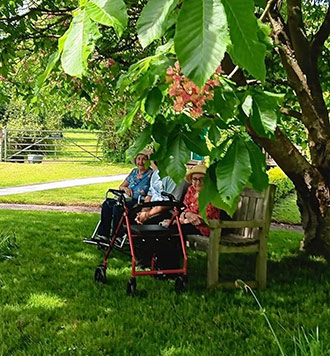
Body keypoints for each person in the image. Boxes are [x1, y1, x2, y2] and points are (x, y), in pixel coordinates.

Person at [96, 151, 152, 240]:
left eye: (144, 159)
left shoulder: (151, 174)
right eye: (138, 159)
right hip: (126, 198)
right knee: (106, 204)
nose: (140, 162)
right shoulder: (134, 172)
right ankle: (104, 235)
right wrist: (125, 189)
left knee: (117, 208)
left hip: (138, 202)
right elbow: (121, 186)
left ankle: (117, 236)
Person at [180, 164, 220, 237]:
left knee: (174, 230)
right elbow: (183, 209)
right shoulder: (191, 190)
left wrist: (186, 216)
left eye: (202, 179)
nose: (198, 182)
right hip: (189, 225)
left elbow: (204, 219)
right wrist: (186, 215)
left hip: (207, 229)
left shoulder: (212, 195)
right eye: (195, 179)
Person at [135, 160, 178, 225]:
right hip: (152, 208)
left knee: (144, 224)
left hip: (165, 211)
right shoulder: (156, 173)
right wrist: (144, 211)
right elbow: (149, 195)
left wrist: (147, 215)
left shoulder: (174, 175)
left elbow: (168, 204)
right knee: (131, 215)